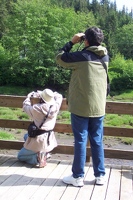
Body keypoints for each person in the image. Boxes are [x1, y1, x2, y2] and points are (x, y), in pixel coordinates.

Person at [56, 27, 109, 186]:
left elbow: (59, 58)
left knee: (80, 140)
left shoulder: (81, 56)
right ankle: (100, 175)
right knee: (97, 140)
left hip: (80, 106)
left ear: (85, 40)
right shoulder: (105, 56)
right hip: (98, 106)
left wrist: (72, 42)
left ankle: (78, 177)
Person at [17, 88, 63, 167]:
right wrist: (51, 94)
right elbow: (59, 96)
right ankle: (44, 153)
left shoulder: (36, 108)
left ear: (41, 98)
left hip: (38, 140)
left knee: (20, 156)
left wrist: (29, 96)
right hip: (49, 139)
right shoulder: (55, 107)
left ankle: (38, 158)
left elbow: (25, 106)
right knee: (26, 137)